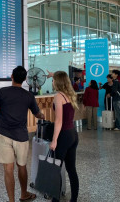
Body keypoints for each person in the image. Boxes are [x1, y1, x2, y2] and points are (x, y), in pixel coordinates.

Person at [0, 66, 45, 202]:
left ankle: (11, 200)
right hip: (21, 136)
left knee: (8, 169)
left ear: (12, 76)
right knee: (22, 166)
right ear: (25, 80)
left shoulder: (2, 92)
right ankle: (23, 194)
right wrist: (42, 115)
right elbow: (36, 113)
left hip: (3, 134)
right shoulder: (28, 95)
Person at [48, 71, 79, 202]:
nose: (52, 82)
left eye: (53, 80)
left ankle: (55, 199)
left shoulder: (58, 96)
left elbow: (58, 121)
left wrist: (54, 140)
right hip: (73, 134)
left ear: (57, 82)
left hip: (63, 136)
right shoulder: (70, 95)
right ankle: (74, 199)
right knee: (71, 169)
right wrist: (53, 74)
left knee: (56, 169)